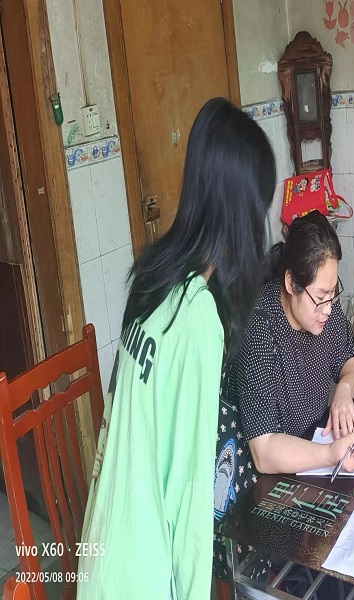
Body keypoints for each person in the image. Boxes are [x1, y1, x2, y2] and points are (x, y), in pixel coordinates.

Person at [78, 97, 277, 599]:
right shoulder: (196, 318)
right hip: (144, 575)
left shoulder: (153, 276)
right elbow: (190, 494)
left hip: (102, 555)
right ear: (241, 211)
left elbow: (113, 430)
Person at [225, 210, 354, 475]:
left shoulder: (324, 308)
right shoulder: (258, 328)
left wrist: (344, 389)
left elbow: (351, 360)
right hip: (261, 479)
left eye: (333, 293)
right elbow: (264, 451)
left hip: (310, 449)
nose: (328, 308)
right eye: (321, 297)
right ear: (291, 283)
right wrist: (329, 454)